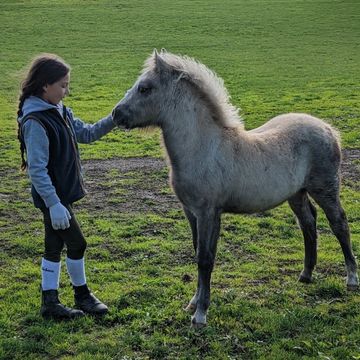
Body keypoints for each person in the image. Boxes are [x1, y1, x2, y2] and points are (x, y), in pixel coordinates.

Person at [17, 54, 116, 319]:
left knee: (53, 246)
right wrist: (54, 204)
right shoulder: (36, 122)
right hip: (54, 199)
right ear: (44, 86)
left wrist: (114, 118)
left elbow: (87, 133)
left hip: (61, 198)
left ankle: (50, 303)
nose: (66, 91)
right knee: (77, 243)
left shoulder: (60, 111)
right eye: (62, 85)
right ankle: (82, 295)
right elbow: (37, 170)